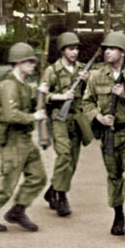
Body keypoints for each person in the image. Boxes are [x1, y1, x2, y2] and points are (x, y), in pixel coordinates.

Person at [82, 31, 125, 237]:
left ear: (123, 52)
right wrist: (99, 117)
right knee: (114, 177)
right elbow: (86, 102)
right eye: (106, 49)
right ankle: (118, 214)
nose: (107, 53)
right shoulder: (96, 76)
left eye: (112, 49)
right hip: (109, 134)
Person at [0, 42, 48, 232]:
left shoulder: (24, 85)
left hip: (25, 139)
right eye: (30, 61)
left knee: (38, 177)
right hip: (12, 140)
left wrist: (44, 96)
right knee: (8, 180)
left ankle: (17, 210)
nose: (33, 65)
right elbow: (11, 115)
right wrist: (34, 116)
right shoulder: (9, 85)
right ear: (18, 62)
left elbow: (32, 103)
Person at [41, 32, 90, 217]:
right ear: (62, 51)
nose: (74, 52)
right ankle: (61, 196)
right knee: (64, 156)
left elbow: (89, 95)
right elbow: (42, 95)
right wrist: (61, 96)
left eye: (76, 49)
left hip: (76, 119)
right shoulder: (52, 71)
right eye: (71, 49)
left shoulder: (82, 69)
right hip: (59, 118)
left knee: (73, 161)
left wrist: (86, 82)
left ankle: (53, 189)